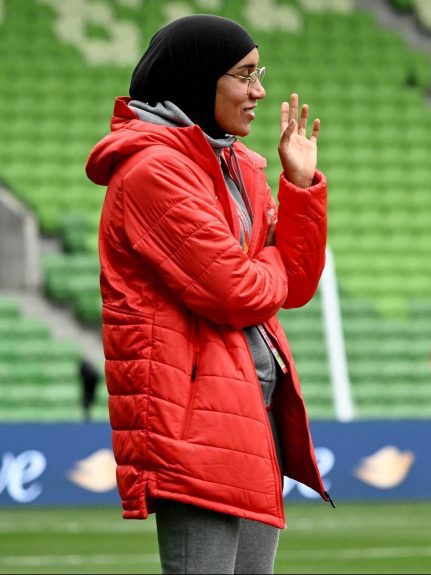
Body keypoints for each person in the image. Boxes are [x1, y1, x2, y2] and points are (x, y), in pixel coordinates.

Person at [85, 14, 330, 574]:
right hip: (194, 418)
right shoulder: (152, 171)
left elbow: (296, 286)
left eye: (258, 73)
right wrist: (267, 265)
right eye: (244, 75)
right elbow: (236, 292)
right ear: (199, 80)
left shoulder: (237, 163)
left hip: (250, 406)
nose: (260, 91)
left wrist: (297, 187)